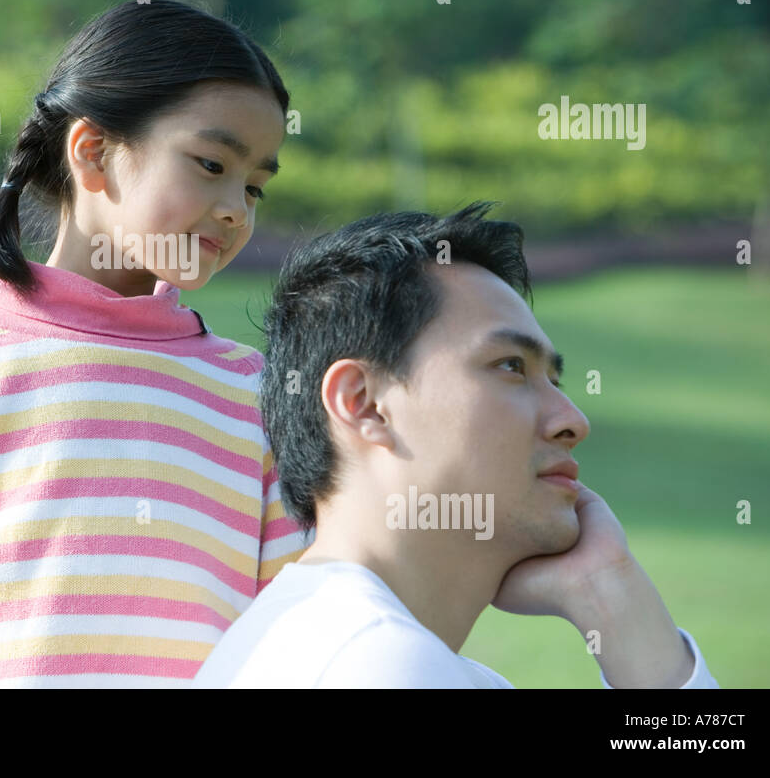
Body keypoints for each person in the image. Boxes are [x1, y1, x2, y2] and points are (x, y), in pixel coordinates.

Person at [0, 0, 310, 686]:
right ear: (93, 153)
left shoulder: (251, 391)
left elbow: (287, 636)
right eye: (210, 164)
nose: (237, 206)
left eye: (256, 186)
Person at [194, 203, 719, 688]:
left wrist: (610, 591)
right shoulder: (380, 663)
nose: (573, 421)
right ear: (364, 403)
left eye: (555, 382)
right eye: (511, 366)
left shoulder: (345, 645)